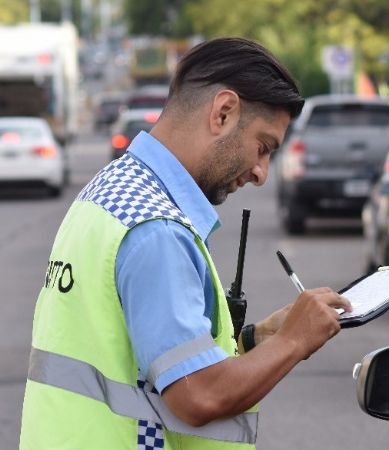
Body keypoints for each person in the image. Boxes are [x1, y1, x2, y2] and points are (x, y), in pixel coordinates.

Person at [19, 37, 352, 450]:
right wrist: (293, 341)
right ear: (224, 112)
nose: (261, 172)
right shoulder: (156, 229)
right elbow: (198, 394)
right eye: (263, 147)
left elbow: (135, 352)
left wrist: (255, 340)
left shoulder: (111, 191)